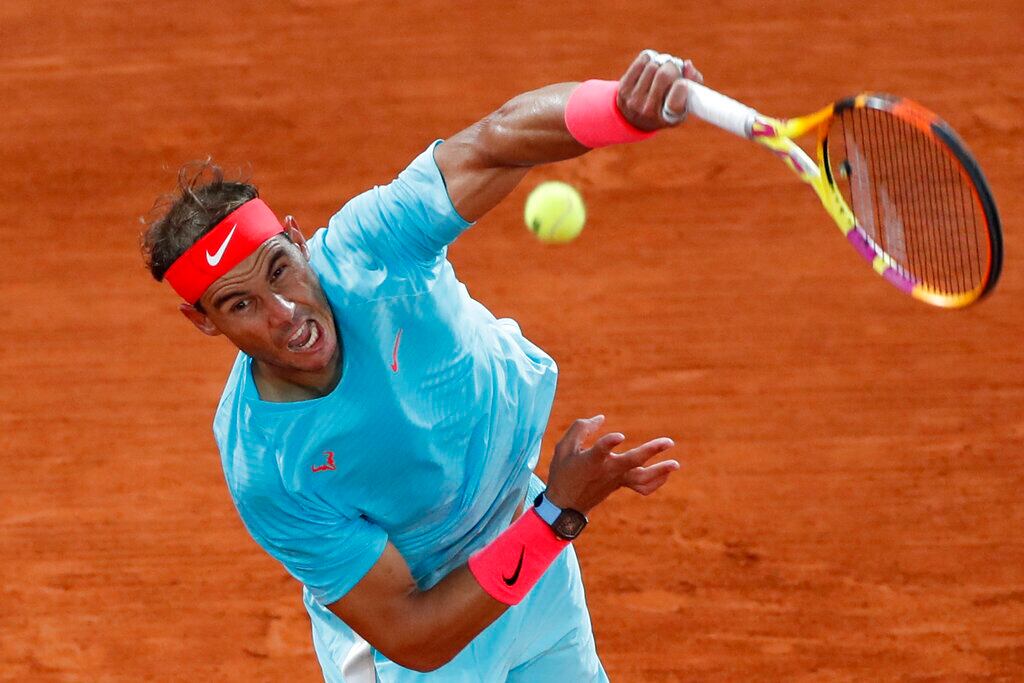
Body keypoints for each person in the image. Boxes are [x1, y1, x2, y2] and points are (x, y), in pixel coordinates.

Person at [141, 49, 702, 682]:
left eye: (280, 270)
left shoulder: (370, 251)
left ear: (298, 240)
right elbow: (416, 635)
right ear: (204, 320)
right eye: (240, 304)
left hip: (523, 545)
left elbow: (495, 143)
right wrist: (557, 515)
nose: (283, 313)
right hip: (429, 634)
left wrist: (620, 108)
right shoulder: (266, 466)